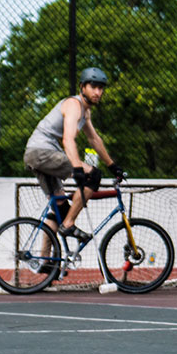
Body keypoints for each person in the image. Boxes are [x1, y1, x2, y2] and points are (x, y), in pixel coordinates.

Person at [23, 67, 125, 245]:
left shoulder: (85, 112)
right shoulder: (73, 105)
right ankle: (69, 225)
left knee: (59, 205)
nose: (98, 92)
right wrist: (77, 168)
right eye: (93, 87)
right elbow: (68, 139)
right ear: (82, 87)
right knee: (93, 175)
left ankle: (45, 262)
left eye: (101, 88)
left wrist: (112, 165)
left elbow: (94, 139)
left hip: (37, 154)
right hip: (42, 153)